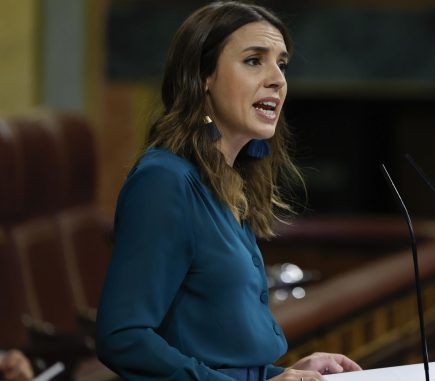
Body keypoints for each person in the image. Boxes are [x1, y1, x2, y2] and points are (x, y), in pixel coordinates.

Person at [95, 2, 361, 381]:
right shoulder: (164, 181)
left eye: (281, 64)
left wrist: (275, 374)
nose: (277, 79)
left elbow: (208, 353)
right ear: (203, 75)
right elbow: (122, 337)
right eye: (254, 60)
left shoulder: (229, 181)